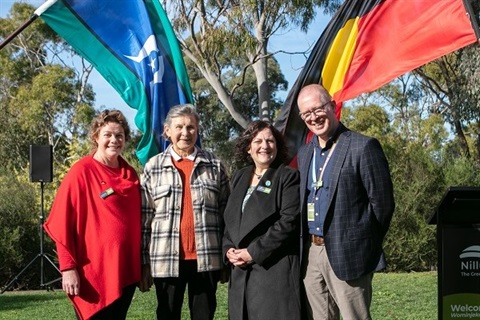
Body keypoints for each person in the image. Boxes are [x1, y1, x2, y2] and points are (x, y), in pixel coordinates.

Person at [297, 84, 395, 320]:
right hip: (312, 255)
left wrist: (363, 243)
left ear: (332, 106)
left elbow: (383, 206)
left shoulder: (362, 146)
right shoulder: (304, 153)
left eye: (318, 109)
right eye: (306, 114)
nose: (314, 117)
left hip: (350, 254)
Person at [44, 109, 141, 320]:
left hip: (124, 270)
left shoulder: (130, 174)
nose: (114, 140)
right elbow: (62, 223)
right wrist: (68, 268)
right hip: (93, 274)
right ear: (96, 137)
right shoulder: (81, 172)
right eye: (108, 135)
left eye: (119, 135)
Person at [139, 104, 230, 320]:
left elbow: (227, 214)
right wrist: (143, 262)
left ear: (197, 130)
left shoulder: (214, 165)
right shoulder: (153, 167)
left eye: (191, 127)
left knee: (204, 315)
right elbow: (145, 219)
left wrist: (226, 260)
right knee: (167, 315)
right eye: (179, 127)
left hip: (206, 259)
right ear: (167, 131)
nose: (185, 133)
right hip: (165, 260)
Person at [223, 120, 302, 320]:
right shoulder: (240, 176)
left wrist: (253, 252)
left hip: (272, 271)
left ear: (278, 145)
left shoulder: (287, 176)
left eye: (270, 141)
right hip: (240, 271)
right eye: (257, 141)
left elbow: (289, 222)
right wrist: (228, 249)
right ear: (248, 148)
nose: (264, 146)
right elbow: (230, 219)